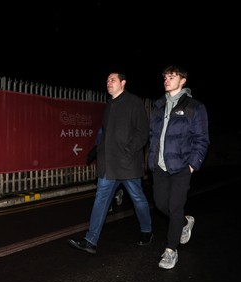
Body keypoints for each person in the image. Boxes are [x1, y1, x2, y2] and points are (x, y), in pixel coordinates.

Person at [68, 72, 153, 254]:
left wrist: (128, 151)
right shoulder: (109, 105)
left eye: (112, 80)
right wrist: (96, 151)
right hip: (108, 165)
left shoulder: (134, 102)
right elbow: (105, 134)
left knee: (137, 198)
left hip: (127, 163)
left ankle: (146, 230)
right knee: (100, 199)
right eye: (107, 80)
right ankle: (91, 241)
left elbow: (142, 133)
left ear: (123, 83)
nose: (108, 82)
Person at [148, 65, 210, 269]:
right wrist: (151, 159)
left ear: (183, 80)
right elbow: (153, 136)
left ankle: (170, 250)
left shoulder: (194, 106)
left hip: (181, 167)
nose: (167, 80)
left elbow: (202, 139)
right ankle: (184, 222)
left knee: (174, 206)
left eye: (172, 76)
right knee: (160, 205)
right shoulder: (158, 105)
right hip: (160, 167)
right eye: (165, 76)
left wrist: (193, 164)